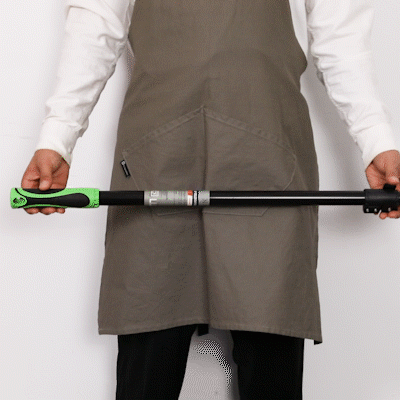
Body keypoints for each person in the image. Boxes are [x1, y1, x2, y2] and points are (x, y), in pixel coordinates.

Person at [21, 0, 400, 399]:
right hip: (157, 157)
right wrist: (57, 139)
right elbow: (95, 23)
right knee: (147, 362)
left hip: (269, 163)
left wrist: (376, 140)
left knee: (272, 364)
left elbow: (341, 35)